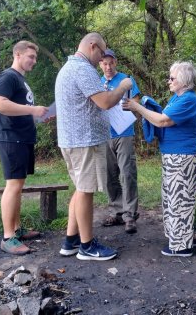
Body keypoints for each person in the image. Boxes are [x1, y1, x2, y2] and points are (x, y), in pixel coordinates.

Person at [56, 32, 132, 261]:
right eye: (101, 52)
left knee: (81, 189)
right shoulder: (82, 69)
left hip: (74, 140)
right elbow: (105, 101)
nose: (101, 58)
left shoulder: (69, 68)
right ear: (92, 46)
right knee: (86, 191)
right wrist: (124, 85)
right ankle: (87, 246)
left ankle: (71, 240)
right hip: (83, 142)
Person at [123, 61, 196, 257]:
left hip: (182, 156)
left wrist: (138, 108)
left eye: (172, 78)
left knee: (180, 200)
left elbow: (163, 120)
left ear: (184, 81)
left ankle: (182, 246)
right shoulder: (177, 98)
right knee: (171, 199)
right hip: (174, 155)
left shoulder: (189, 100)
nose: (169, 81)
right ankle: (181, 237)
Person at [0, 40, 49, 255]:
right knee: (13, 185)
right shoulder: (8, 77)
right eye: (31, 57)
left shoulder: (20, 80)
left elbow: (21, 109)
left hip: (22, 138)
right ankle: (8, 237)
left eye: (35, 57)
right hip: (10, 138)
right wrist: (33, 109)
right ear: (18, 55)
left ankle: (16, 229)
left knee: (19, 185)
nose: (34, 61)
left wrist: (39, 115)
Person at [99, 49, 141, 234]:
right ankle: (117, 211)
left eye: (110, 63)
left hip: (123, 131)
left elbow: (137, 101)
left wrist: (129, 106)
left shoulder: (126, 79)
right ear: (100, 64)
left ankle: (130, 215)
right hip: (104, 134)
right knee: (109, 175)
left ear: (115, 62)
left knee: (127, 173)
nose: (108, 67)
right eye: (104, 64)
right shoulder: (97, 82)